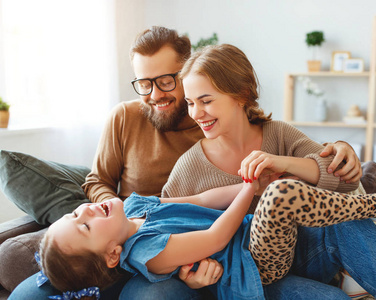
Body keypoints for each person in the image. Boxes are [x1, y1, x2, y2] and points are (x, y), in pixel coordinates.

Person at [7, 27, 365, 300]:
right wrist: (109, 214)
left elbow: (204, 203)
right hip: (151, 244)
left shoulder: (225, 124)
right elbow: (98, 182)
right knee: (29, 288)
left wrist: (334, 148)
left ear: (189, 74)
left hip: (247, 242)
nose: (155, 94)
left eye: (165, 80)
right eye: (143, 83)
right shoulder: (129, 120)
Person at [161, 43, 372, 298]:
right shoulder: (190, 167)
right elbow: (163, 231)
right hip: (249, 278)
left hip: (306, 257)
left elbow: (346, 181)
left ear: (241, 94)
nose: (196, 113)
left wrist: (282, 162)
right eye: (190, 102)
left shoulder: (279, 133)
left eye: (206, 101)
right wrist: (190, 279)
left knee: (347, 221)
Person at [38, 177, 376, 300]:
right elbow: (215, 238)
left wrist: (247, 183)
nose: (84, 212)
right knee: (280, 193)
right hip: (254, 265)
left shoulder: (134, 204)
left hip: (267, 241)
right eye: (83, 227)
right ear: (113, 255)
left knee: (344, 223)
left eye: (74, 214)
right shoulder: (146, 251)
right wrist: (250, 191)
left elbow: (199, 200)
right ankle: (370, 202)